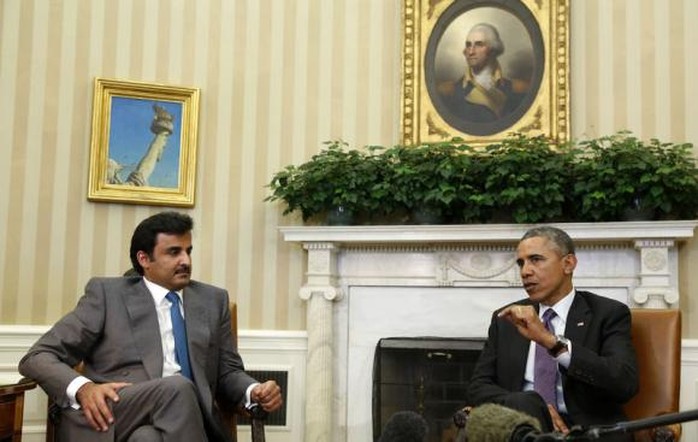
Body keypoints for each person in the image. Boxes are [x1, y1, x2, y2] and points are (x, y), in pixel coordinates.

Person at [19, 211, 282, 442]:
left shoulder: (213, 301)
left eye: (188, 251)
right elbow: (38, 357)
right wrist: (84, 388)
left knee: (147, 438)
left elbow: (227, 372)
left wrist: (253, 390)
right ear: (144, 259)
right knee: (176, 386)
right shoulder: (108, 296)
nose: (186, 261)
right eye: (173, 252)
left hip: (184, 421)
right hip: (116, 412)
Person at [466, 226, 638, 442]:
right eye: (521, 263)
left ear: (568, 264)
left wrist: (549, 341)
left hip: (586, 432)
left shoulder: (607, 313)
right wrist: (533, 408)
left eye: (536, 259)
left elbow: (623, 383)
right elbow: (478, 388)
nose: (525, 271)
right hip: (523, 430)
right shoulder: (507, 319)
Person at [438, 22, 524, 124]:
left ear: (492, 49)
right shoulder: (449, 91)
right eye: (468, 45)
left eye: (479, 45)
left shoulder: (517, 89)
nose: (471, 52)